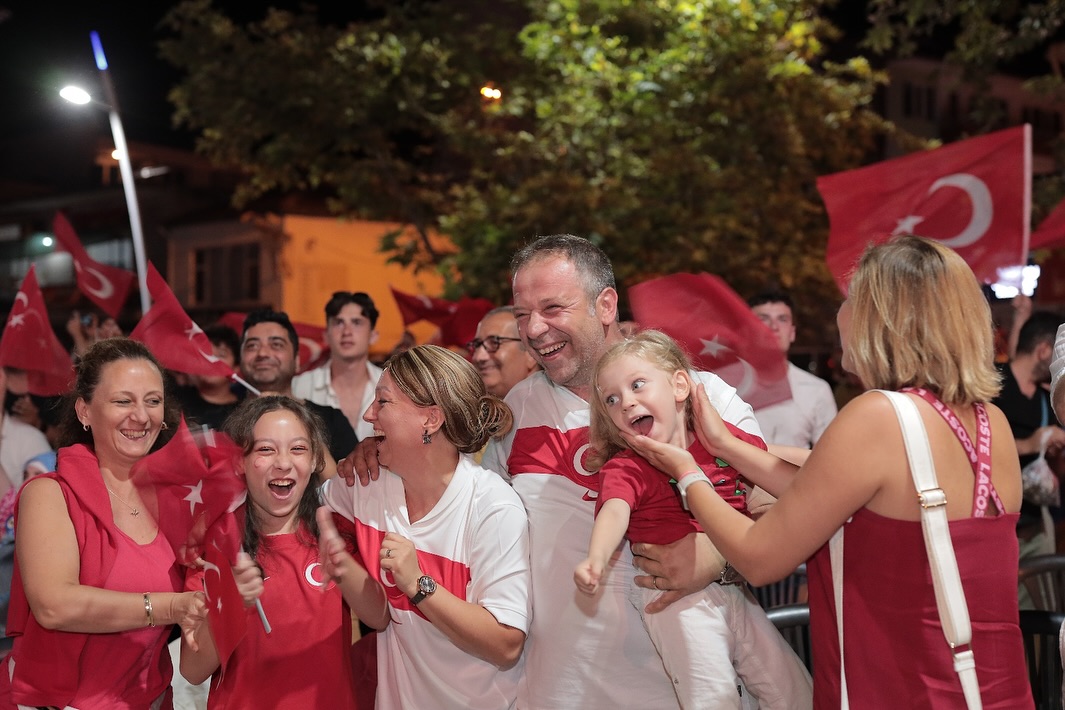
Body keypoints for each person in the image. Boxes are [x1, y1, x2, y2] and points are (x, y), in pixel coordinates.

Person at [626, 236, 1033, 708]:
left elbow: (759, 559)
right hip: (992, 689)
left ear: (881, 317)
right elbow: (824, 493)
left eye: (850, 300)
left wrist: (687, 473)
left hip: (904, 691)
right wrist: (722, 446)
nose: (841, 315)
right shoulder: (990, 421)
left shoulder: (877, 417)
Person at [574, 330, 812, 709]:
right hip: (674, 603)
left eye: (637, 385)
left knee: (795, 692)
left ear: (680, 385)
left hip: (736, 590)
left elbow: (780, 466)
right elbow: (613, 511)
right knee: (712, 700)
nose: (627, 402)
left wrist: (843, 465)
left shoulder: (717, 438)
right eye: (612, 400)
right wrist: (596, 559)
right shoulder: (627, 467)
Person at [0, 338, 208, 708]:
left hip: (151, 700)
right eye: (123, 401)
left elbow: (199, 640)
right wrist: (172, 607)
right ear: (84, 411)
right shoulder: (50, 495)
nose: (141, 416)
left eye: (153, 401)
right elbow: (54, 606)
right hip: (55, 703)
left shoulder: (181, 503)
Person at [321, 345, 530, 709]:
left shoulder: (492, 507)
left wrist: (418, 584)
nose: (369, 415)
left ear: (431, 420)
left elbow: (506, 644)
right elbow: (301, 510)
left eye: (383, 402)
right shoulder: (366, 483)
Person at [180, 395, 387, 708]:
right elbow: (192, 670)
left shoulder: (333, 529)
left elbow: (380, 617)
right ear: (240, 461)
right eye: (265, 449)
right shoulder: (216, 543)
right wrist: (231, 604)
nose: (284, 462)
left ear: (316, 459)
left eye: (298, 448)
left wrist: (344, 568)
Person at [239, 309, 358, 465]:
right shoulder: (224, 422)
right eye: (252, 346)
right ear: (240, 359)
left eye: (276, 345)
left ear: (296, 361)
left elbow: (353, 486)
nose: (263, 353)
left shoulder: (332, 420)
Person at [991, 310, 1065, 559]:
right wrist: (1030, 444)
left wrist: (1054, 452)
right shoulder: (991, 384)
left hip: (1037, 523)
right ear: (1044, 350)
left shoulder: (1048, 398)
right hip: (996, 523)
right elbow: (970, 446)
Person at [749, 291, 837, 448]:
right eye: (763, 319)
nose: (774, 327)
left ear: (792, 332)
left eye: (782, 319)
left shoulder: (816, 390)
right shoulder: (727, 385)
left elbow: (830, 456)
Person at [292, 291, 383, 440]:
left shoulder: (392, 387)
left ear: (373, 335)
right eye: (338, 323)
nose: (347, 331)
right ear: (326, 335)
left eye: (357, 322)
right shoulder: (299, 387)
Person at [175, 324, 243, 432]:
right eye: (205, 355)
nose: (212, 361)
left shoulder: (245, 409)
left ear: (236, 367)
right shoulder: (176, 402)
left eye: (221, 355)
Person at [467, 306, 540, 399]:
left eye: (494, 342)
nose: (479, 357)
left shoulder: (555, 410)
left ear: (531, 352)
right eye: (477, 344)